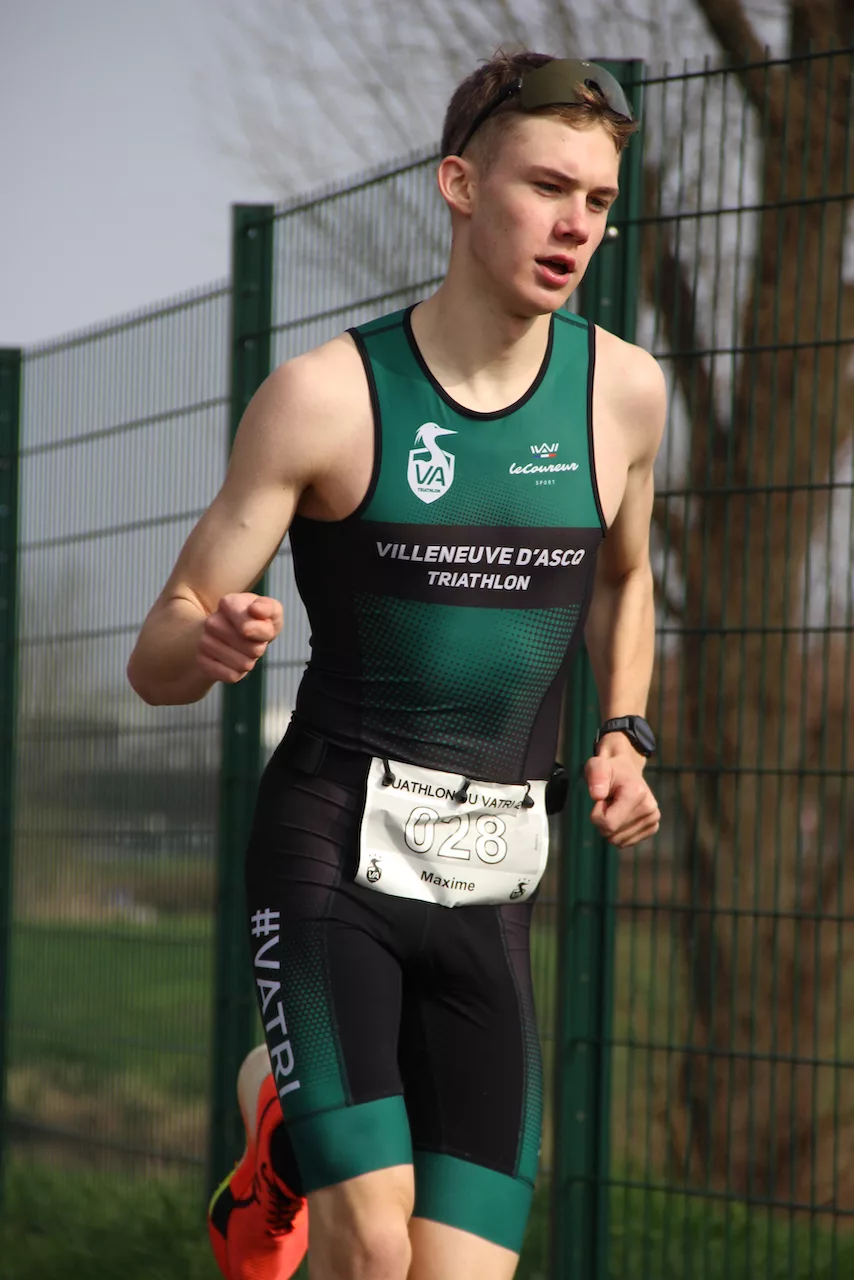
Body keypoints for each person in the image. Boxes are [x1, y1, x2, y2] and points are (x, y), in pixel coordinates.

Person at [127, 49, 664, 1280]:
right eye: (545, 187)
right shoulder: (326, 396)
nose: (575, 224)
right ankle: (300, 1132)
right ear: (459, 184)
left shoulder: (623, 394)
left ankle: (283, 1123)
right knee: (373, 1248)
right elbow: (158, 652)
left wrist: (626, 730)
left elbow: (624, 576)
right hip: (332, 855)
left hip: (491, 885)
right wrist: (205, 641)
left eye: (595, 199)